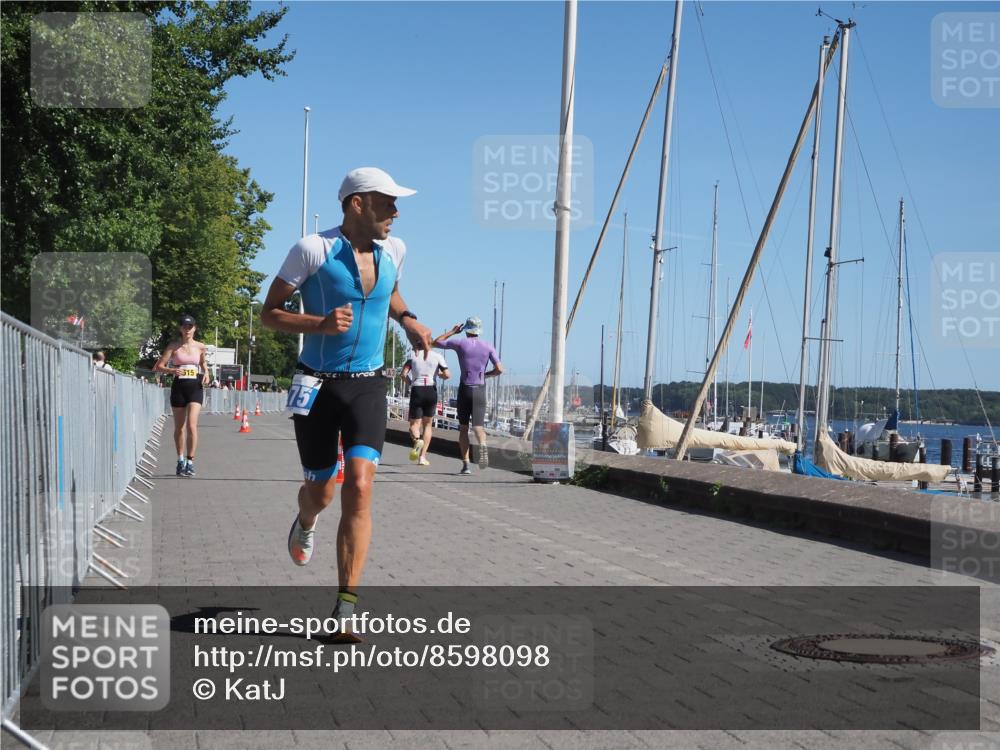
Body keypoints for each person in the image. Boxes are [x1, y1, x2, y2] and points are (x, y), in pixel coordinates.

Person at [260, 167, 432, 636]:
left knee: (358, 484)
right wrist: (317, 324)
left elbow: (391, 293)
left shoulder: (395, 250)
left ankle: (346, 606)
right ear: (358, 203)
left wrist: (409, 320)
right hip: (316, 384)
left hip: (367, 385)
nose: (396, 213)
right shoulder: (312, 249)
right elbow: (269, 314)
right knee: (322, 491)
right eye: (388, 203)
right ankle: (306, 518)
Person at [434, 317, 503, 475]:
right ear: (479, 330)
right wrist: (487, 375)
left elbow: (436, 342)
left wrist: (452, 332)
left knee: (463, 429)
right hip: (479, 389)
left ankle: (465, 465)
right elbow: (499, 369)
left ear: (466, 330)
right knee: (478, 427)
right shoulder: (488, 346)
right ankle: (483, 446)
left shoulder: (460, 343)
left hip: (465, 389)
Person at [154, 314, 209, 477]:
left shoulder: (200, 346)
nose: (187, 330)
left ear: (194, 329)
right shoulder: (174, 346)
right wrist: (172, 370)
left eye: (190, 327)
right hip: (179, 387)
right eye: (185, 327)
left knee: (192, 425)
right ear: (180, 328)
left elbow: (203, 363)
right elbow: (159, 366)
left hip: (195, 387)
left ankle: (190, 461)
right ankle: (180, 460)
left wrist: (207, 373)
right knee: (179, 427)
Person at [400, 348, 450, 466]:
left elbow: (403, 374)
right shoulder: (438, 356)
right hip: (431, 390)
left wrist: (411, 383)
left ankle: (418, 441)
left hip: (417, 389)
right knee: (427, 425)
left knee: (414, 425)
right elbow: (447, 375)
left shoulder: (412, 356)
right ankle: (422, 457)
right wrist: (438, 374)